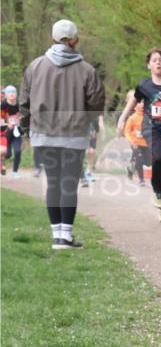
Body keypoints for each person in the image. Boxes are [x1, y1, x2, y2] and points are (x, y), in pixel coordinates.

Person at [20, 19, 105, 249]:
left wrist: (27, 127)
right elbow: (96, 103)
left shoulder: (35, 66)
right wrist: (85, 122)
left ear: (54, 38)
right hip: (74, 136)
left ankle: (56, 235)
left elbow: (25, 102)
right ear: (75, 40)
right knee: (68, 184)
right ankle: (65, 237)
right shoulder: (87, 70)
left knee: (53, 183)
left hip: (43, 134)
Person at [116, 48, 161, 222]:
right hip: (151, 129)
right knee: (159, 158)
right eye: (154, 60)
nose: (158, 62)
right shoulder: (144, 85)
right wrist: (123, 117)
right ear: (149, 65)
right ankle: (156, 191)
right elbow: (133, 100)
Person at [124, 94, 149, 186]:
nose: (142, 105)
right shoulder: (132, 118)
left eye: (143, 103)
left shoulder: (148, 117)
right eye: (139, 103)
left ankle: (130, 169)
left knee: (147, 162)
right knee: (139, 159)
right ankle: (141, 180)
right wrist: (132, 141)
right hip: (135, 143)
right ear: (135, 106)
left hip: (146, 143)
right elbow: (126, 131)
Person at [1, 86, 23, 178]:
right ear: (6, 94)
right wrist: (7, 122)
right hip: (6, 133)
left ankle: (15, 172)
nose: (12, 94)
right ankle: (2, 163)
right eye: (9, 92)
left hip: (17, 132)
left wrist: (22, 119)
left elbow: (25, 116)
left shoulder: (20, 104)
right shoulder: (3, 105)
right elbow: (1, 118)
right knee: (8, 154)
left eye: (13, 92)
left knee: (18, 151)